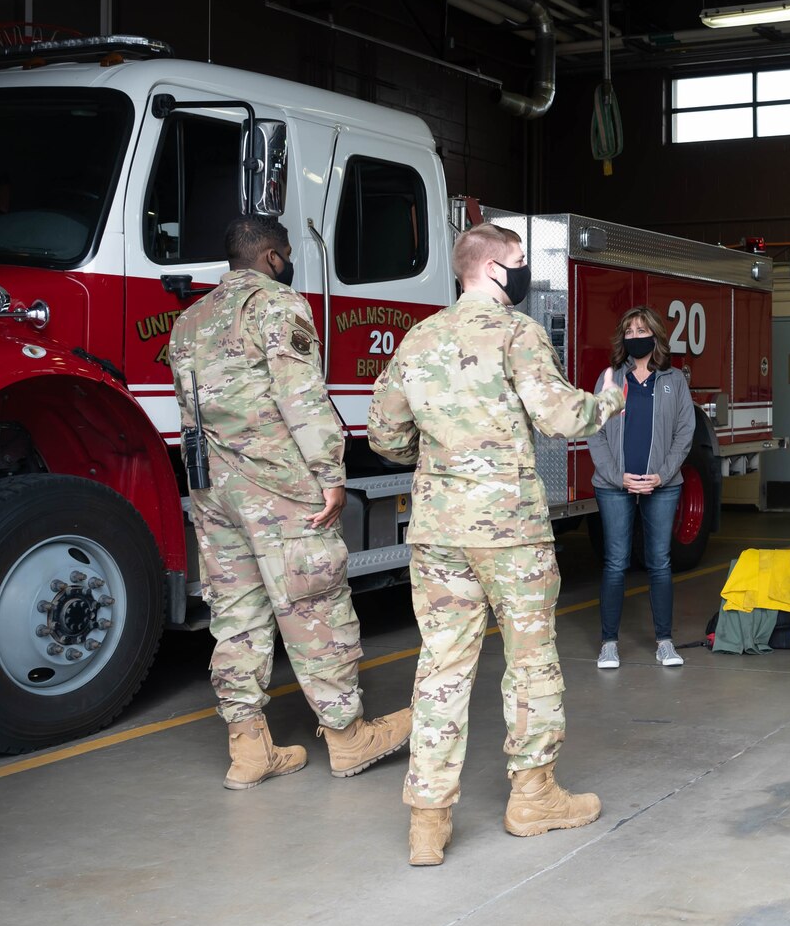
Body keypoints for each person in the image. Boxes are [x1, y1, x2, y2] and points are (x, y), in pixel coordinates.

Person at [367, 223, 624, 867]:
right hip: (509, 530)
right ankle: (532, 797)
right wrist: (607, 402)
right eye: (519, 261)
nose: (526, 272)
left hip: (437, 529)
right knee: (531, 660)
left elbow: (385, 433)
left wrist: (438, 459)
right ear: (489, 268)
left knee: (442, 663)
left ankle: (427, 821)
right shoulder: (517, 334)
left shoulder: (418, 339)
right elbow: (560, 417)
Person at [169, 214, 410, 790]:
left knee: (236, 617)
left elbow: (190, 413)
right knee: (314, 604)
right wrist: (329, 472)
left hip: (215, 489)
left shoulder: (189, 319)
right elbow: (300, 397)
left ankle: (249, 748)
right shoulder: (275, 305)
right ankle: (349, 738)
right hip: (277, 487)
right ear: (274, 258)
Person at [589, 306, 697, 670]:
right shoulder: (610, 379)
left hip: (661, 486)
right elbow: (595, 432)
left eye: (642, 330)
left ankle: (665, 642)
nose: (636, 337)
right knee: (616, 563)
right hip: (614, 485)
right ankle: (608, 644)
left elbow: (685, 434)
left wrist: (662, 476)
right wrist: (615, 476)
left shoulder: (674, 381)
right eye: (629, 331)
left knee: (660, 563)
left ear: (655, 336)